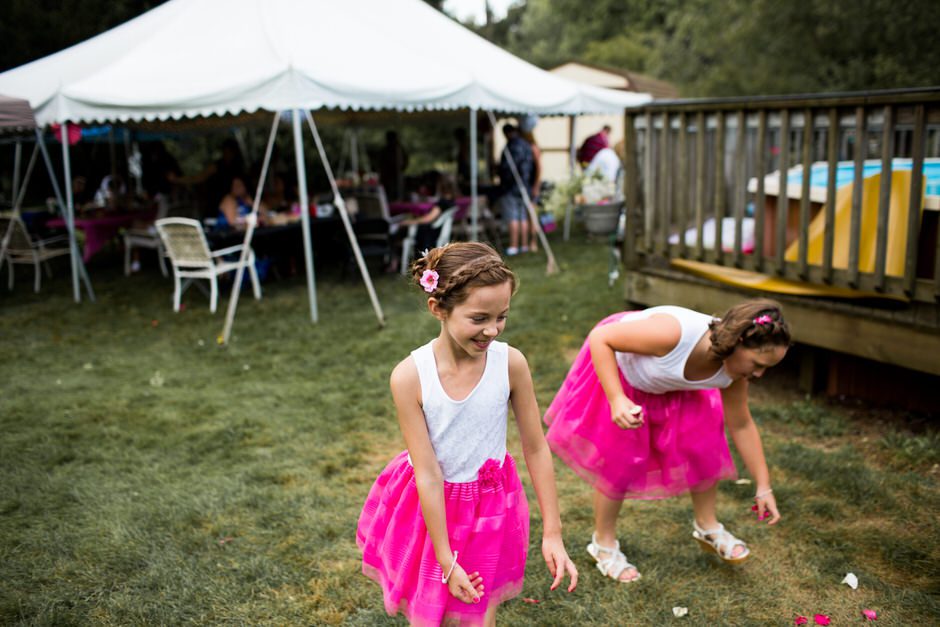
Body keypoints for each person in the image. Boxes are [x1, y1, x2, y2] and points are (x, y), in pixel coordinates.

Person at [357, 242, 578, 626]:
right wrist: (445, 559)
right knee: (431, 608)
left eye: (502, 316)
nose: (491, 329)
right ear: (438, 309)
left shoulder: (511, 364)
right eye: (478, 318)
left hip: (490, 507)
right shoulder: (410, 377)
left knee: (479, 610)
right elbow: (427, 473)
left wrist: (553, 533)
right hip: (429, 508)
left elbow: (536, 448)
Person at [544, 299, 790, 583]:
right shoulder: (671, 333)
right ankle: (603, 544)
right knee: (621, 461)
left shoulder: (736, 374)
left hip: (674, 385)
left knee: (704, 443)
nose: (759, 374)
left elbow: (742, 423)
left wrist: (763, 485)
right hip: (623, 374)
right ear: (739, 341)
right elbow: (602, 339)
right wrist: (616, 399)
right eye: (758, 364)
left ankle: (707, 525)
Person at [497, 124, 535, 256]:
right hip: (525, 186)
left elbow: (507, 169)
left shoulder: (511, 147)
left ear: (506, 133)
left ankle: (513, 246)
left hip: (512, 187)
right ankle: (524, 245)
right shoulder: (526, 145)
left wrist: (503, 181)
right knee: (523, 216)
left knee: (513, 217)